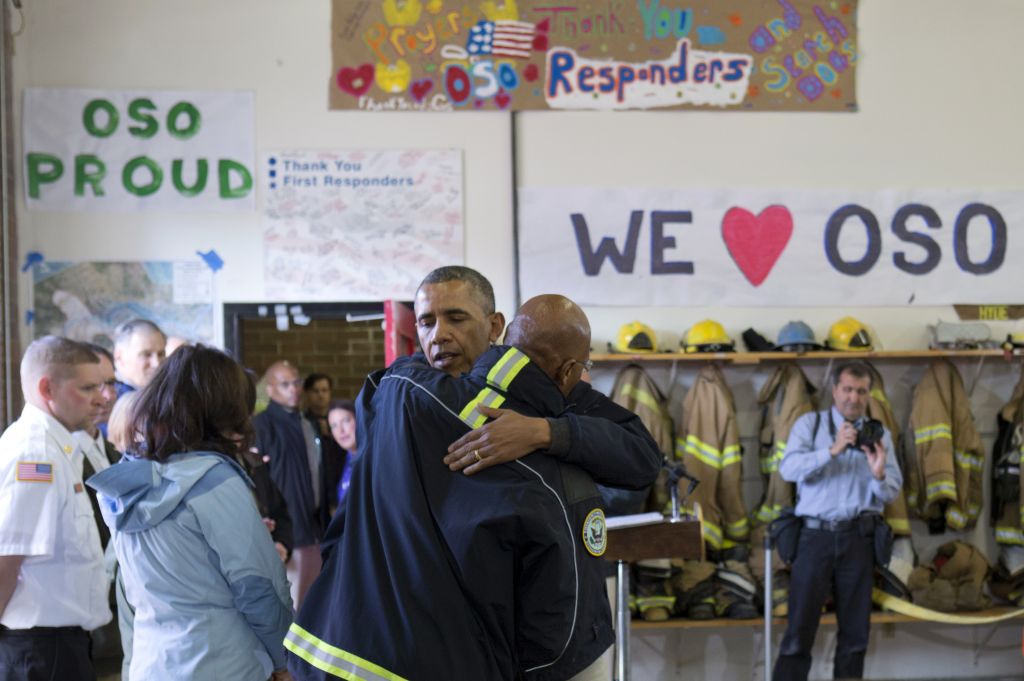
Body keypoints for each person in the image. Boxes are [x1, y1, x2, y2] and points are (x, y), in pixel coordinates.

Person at [288, 278, 660, 681]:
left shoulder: (550, 402)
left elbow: (641, 456)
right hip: (366, 637)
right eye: (426, 322)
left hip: (446, 650)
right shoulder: (398, 394)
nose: (439, 335)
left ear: (495, 325)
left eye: (456, 318)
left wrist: (545, 432)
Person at [87, 345, 294, 681]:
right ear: (224, 409)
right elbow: (257, 587)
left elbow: (127, 595)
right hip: (223, 663)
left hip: (153, 663)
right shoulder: (214, 480)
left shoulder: (128, 482)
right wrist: (285, 660)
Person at [774, 361, 904, 681]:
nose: (853, 398)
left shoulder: (879, 434)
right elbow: (788, 470)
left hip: (858, 539)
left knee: (855, 635)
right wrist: (831, 451)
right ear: (834, 391)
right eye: (847, 389)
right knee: (798, 632)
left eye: (861, 391)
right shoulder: (810, 425)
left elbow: (890, 491)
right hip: (814, 538)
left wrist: (878, 474)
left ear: (868, 394)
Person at [0, 336, 112, 681]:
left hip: (58, 644)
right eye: (87, 387)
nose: (99, 398)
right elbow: (7, 557)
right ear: (47, 388)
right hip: (39, 648)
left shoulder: (57, 445)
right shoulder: (37, 455)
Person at [254, 361, 331, 610]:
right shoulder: (261, 426)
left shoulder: (308, 423)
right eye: (285, 384)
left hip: (314, 529)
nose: (293, 389)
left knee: (313, 608)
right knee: (291, 608)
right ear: (270, 389)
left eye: (296, 382)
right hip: (287, 534)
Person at [303, 373, 345, 510]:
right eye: (316, 391)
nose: (320, 395)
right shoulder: (302, 423)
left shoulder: (341, 421)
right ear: (307, 393)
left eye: (324, 390)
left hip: (340, 486)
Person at [112, 319, 167, 397]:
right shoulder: (110, 399)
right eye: (146, 354)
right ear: (119, 357)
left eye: (161, 354)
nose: (156, 364)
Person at [327, 399, 358, 505]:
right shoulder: (341, 461)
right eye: (334, 426)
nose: (341, 431)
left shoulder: (375, 459)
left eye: (345, 421)